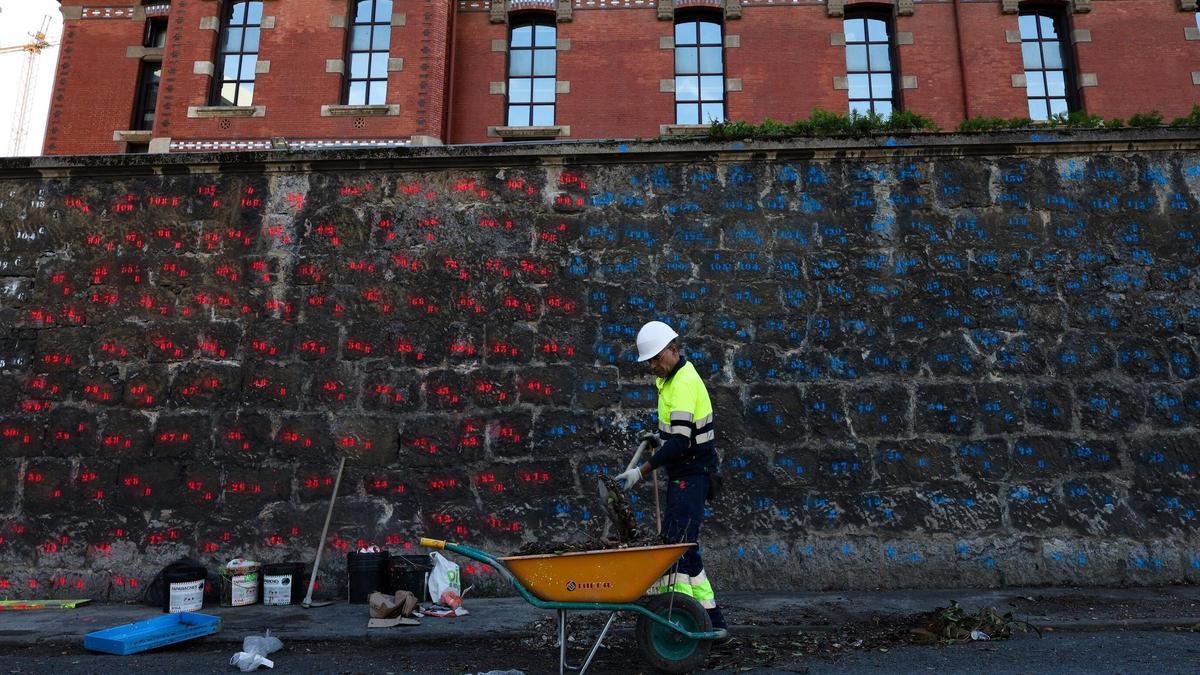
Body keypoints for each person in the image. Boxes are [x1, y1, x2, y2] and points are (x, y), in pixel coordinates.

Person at [617, 320, 728, 636]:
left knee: (678, 546)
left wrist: (641, 470)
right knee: (683, 546)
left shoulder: (681, 384)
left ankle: (696, 622)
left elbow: (681, 441)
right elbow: (676, 431)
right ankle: (709, 623)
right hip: (687, 473)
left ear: (673, 350)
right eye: (649, 361)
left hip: (691, 475)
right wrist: (658, 437)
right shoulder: (670, 380)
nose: (652, 366)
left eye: (655, 359)